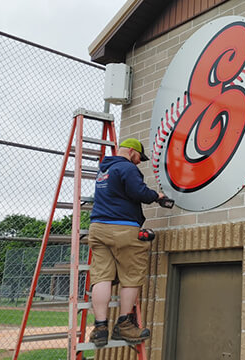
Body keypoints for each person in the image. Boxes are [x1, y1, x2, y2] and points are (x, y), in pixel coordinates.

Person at [88, 138, 165, 347]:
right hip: (122, 228)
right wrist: (156, 196)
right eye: (139, 157)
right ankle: (123, 325)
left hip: (97, 228)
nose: (139, 162)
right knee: (132, 275)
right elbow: (138, 192)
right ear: (132, 152)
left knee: (102, 276)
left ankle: (100, 328)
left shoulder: (104, 170)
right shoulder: (127, 168)